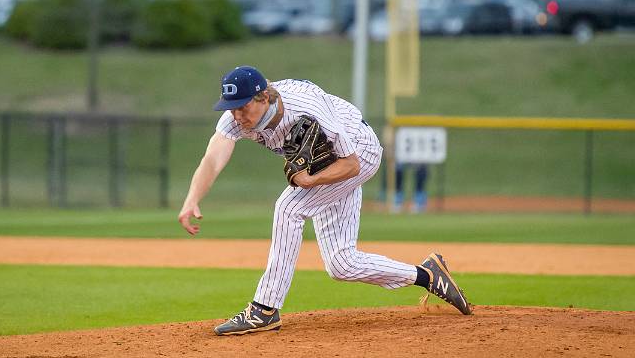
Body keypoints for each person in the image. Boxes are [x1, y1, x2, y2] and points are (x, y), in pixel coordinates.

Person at [177, 66, 471, 336]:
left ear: (263, 96)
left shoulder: (306, 108)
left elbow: (352, 165)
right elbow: (213, 158)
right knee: (341, 264)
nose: (237, 116)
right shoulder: (237, 118)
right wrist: (192, 198)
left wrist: (309, 181)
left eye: (242, 107)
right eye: (231, 109)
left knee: (289, 207)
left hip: (358, 150)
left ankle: (264, 309)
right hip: (327, 161)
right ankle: (427, 275)